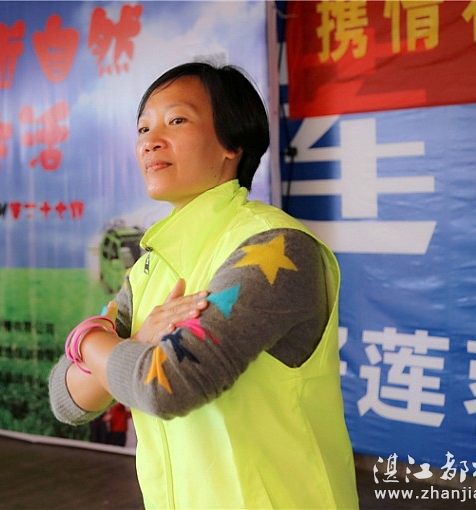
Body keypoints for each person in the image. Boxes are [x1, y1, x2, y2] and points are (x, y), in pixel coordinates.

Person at [49, 62, 358, 509]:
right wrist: (134, 346)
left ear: (233, 144)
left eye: (176, 121)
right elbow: (68, 398)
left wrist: (85, 339)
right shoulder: (149, 268)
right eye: (143, 128)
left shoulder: (274, 246)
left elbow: (166, 385)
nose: (151, 141)